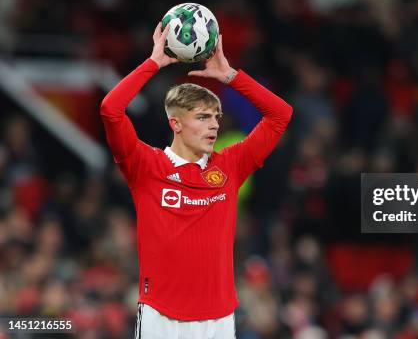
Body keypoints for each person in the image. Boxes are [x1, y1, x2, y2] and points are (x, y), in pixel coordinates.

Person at [100, 23, 293, 338]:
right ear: (175, 123)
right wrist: (153, 64)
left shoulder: (230, 165)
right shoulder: (145, 165)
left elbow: (280, 114)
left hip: (216, 320)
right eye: (203, 118)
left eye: (216, 117)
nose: (213, 126)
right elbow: (110, 109)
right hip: (159, 315)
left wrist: (230, 76)